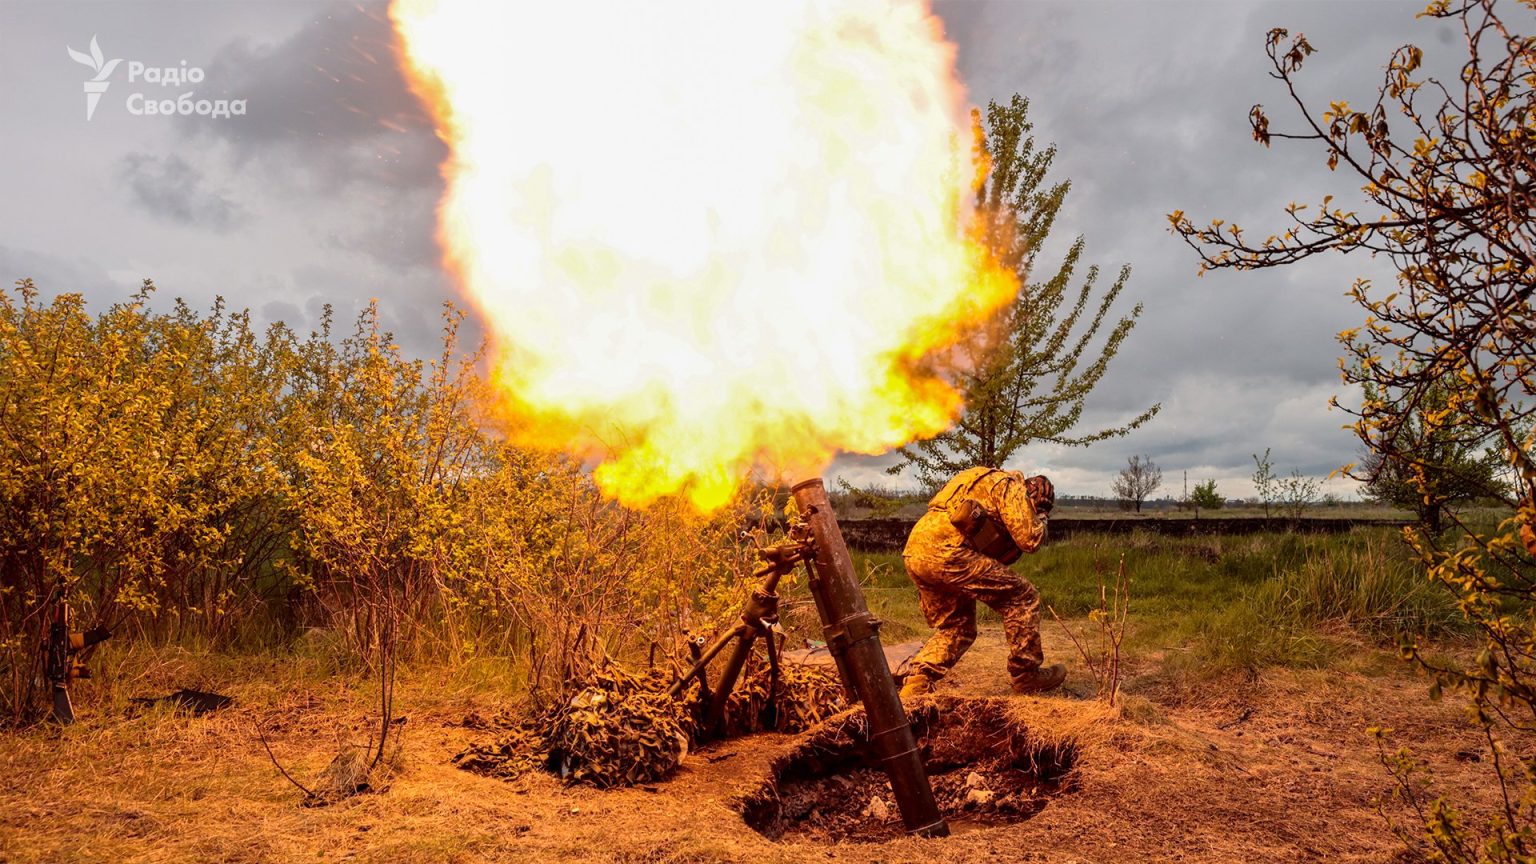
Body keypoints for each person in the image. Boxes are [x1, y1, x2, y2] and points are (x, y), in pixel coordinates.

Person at [899, 467, 1065, 697]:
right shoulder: (1010, 486)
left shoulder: (977, 479)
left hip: (916, 550)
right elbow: (1030, 539)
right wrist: (1041, 516)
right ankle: (1026, 674)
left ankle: (918, 681)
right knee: (1022, 597)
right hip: (950, 552)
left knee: (958, 626)